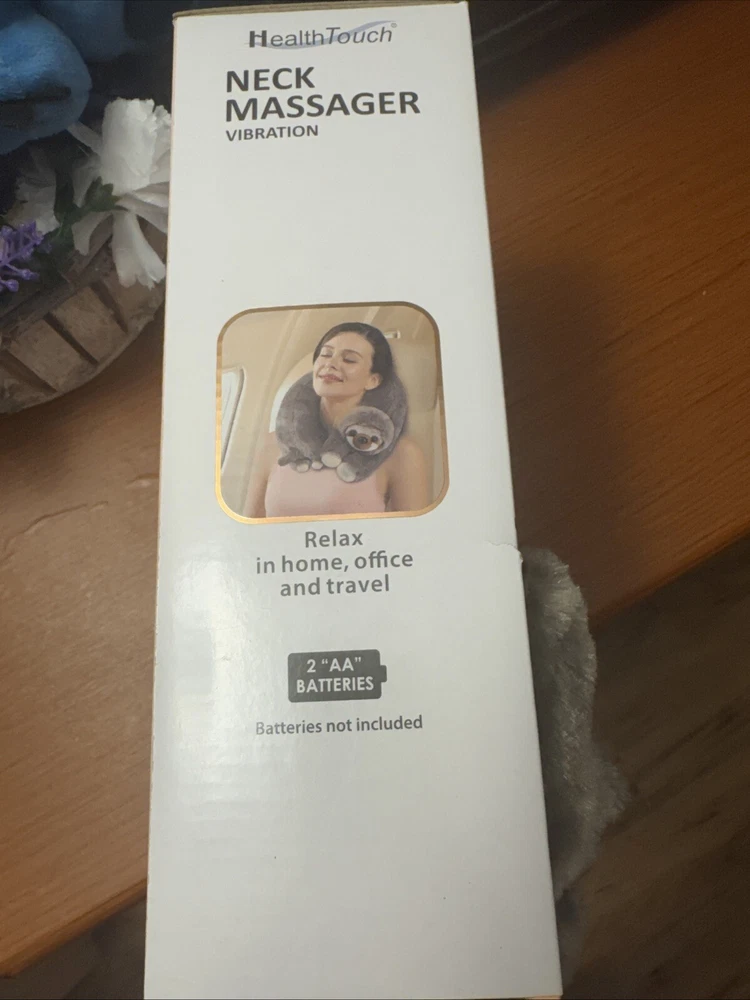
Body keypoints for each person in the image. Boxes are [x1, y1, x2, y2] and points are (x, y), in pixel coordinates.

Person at [245, 322, 429, 518]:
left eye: (349, 360)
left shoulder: (401, 453)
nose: (330, 364)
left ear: (373, 380)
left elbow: (412, 533)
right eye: (325, 354)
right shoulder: (272, 444)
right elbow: (251, 528)